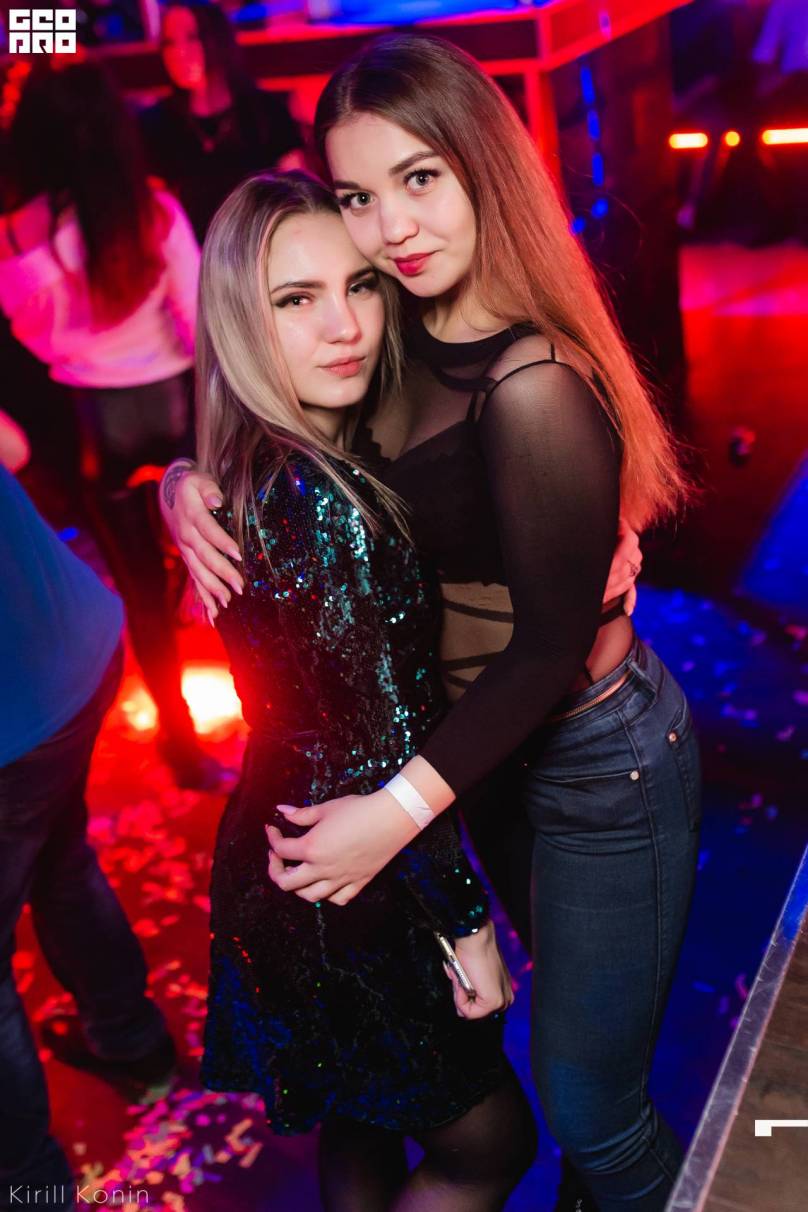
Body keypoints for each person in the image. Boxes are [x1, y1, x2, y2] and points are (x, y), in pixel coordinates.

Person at [161, 35, 702, 1212]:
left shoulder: (530, 381)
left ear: (481, 165)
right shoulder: (389, 325)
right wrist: (186, 476)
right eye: (359, 194)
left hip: (586, 761)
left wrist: (393, 820)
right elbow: (284, 385)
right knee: (529, 1086)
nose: (391, 229)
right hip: (471, 762)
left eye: (419, 178)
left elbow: (545, 650)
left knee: (589, 1112)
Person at [193, 170, 536, 1212]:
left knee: (362, 1121)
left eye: (359, 287)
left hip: (278, 848)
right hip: (354, 880)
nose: (343, 326)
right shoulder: (318, 498)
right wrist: (467, 923)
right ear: (240, 320)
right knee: (489, 1145)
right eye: (296, 299)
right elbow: (382, 743)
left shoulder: (252, 462)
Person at [0, 58, 223, 790]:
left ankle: (182, 745)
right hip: (175, 407)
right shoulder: (150, 208)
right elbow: (199, 318)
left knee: (139, 593)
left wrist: (77, 335)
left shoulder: (22, 229)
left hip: (95, 419)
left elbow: (30, 333)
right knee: (217, 564)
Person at [0, 411, 175, 1210]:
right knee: (62, 862)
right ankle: (133, 1043)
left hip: (16, 716)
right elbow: (13, 446)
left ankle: (28, 1185)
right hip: (70, 648)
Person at [140, 0, 304, 243]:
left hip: (263, 246)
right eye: (169, 43)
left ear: (216, 39)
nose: (178, 52)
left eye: (192, 37)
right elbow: (155, 215)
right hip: (194, 255)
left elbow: (300, 194)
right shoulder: (156, 123)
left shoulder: (266, 112)